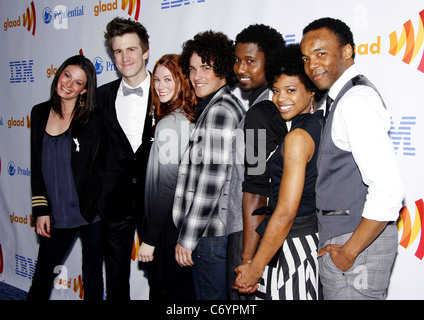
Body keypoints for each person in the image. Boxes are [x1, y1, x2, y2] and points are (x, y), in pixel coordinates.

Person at [300, 17, 405, 300]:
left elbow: (388, 189)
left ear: (347, 51)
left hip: (356, 245)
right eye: (306, 58)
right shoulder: (344, 99)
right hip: (351, 241)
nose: (312, 65)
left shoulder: (355, 101)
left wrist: (349, 251)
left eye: (321, 53)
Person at [234, 44, 323, 300]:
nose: (281, 99)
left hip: (292, 246)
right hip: (305, 241)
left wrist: (255, 266)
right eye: (276, 91)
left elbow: (284, 213)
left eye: (291, 90)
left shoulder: (296, 137)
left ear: (311, 91)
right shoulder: (319, 125)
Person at [172, 30, 245, 300]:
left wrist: (188, 238)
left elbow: (211, 183)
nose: (196, 76)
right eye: (192, 69)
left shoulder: (219, 111)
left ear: (223, 70)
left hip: (208, 235)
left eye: (205, 67)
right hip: (213, 234)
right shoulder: (222, 104)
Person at [27, 55, 105, 300]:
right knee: (41, 278)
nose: (69, 84)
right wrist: (41, 210)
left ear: (85, 90)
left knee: (92, 278)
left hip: (90, 214)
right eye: (67, 75)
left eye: (78, 82)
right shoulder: (39, 113)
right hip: (55, 214)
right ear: (59, 74)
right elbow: (36, 165)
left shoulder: (94, 119)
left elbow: (103, 167)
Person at [225, 24, 288, 300]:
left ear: (270, 62)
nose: (240, 69)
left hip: (249, 231)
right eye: (237, 60)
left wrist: (248, 259)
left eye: (250, 61)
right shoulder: (275, 105)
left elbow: (257, 189)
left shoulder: (262, 113)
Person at [96, 17, 152, 300]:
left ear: (145, 52)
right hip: (114, 201)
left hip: (156, 200)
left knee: (161, 277)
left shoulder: (167, 91)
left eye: (131, 49)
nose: (124, 57)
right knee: (116, 277)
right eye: (118, 51)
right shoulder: (100, 96)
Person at [137, 54, 197, 300]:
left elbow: (166, 186)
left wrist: (150, 239)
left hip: (166, 228)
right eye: (157, 80)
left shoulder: (169, 124)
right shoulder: (191, 118)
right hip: (182, 225)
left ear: (182, 81)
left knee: (164, 291)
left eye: (168, 79)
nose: (160, 86)